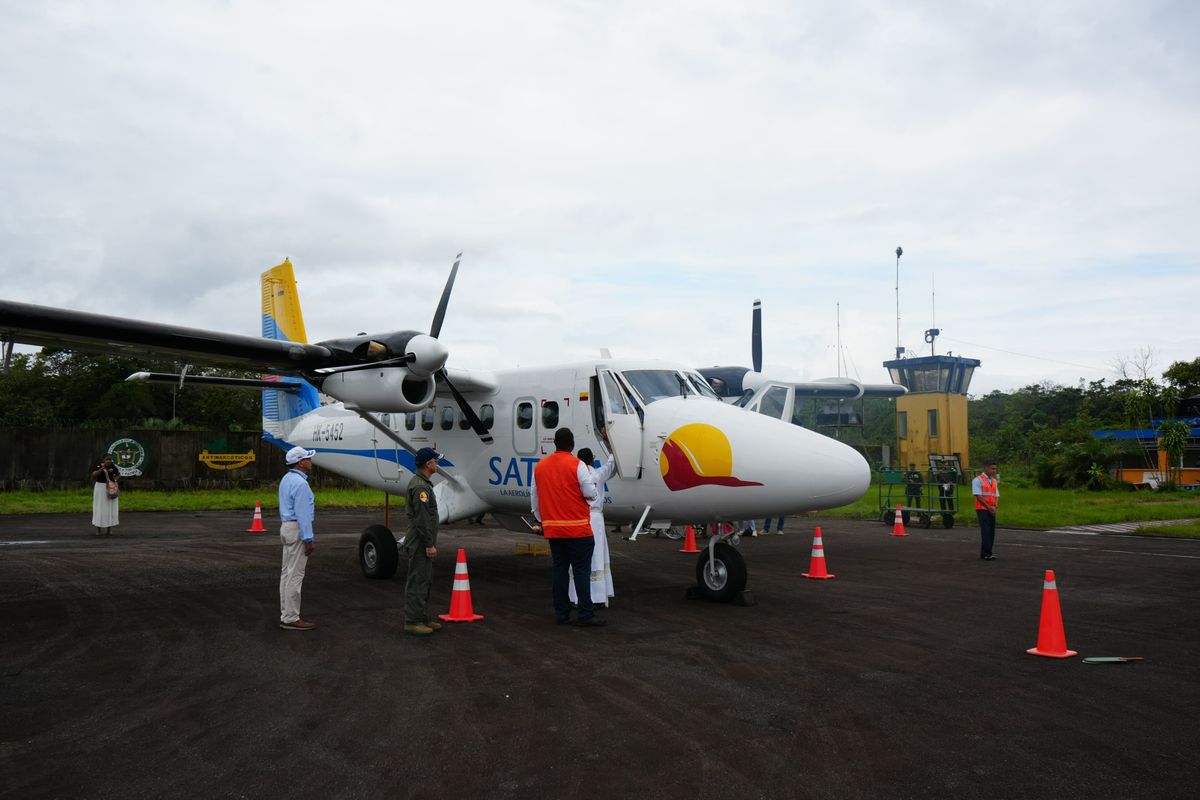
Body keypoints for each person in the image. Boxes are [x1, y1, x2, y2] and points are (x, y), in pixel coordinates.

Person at [530, 428, 603, 627]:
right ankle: (585, 614)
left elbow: (534, 498)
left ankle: (561, 615)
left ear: (555, 443)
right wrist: (593, 496)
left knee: (559, 571)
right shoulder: (578, 465)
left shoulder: (540, 467)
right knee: (581, 572)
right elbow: (590, 493)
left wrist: (541, 520)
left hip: (554, 530)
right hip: (578, 529)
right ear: (572, 444)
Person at [569, 447, 616, 607]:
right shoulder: (598, 474)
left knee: (578, 557)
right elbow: (611, 464)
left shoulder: (574, 476)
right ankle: (597, 596)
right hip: (595, 519)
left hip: (578, 518)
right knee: (596, 555)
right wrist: (611, 447)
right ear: (592, 460)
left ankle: (576, 596)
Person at [403, 447, 442, 637]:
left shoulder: (423, 484)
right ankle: (413, 621)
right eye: (435, 460)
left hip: (422, 540)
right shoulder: (420, 487)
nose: (437, 463)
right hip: (419, 541)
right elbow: (422, 519)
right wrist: (429, 544)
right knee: (418, 580)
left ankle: (422, 617)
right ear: (428, 464)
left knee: (425, 579)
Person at [278, 446, 318, 631]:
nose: (310, 461)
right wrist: (308, 539)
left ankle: (286, 614)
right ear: (300, 463)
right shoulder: (301, 484)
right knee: (295, 575)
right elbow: (303, 514)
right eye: (307, 459)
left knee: (286, 574)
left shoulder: (286, 479)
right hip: (296, 529)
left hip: (286, 527)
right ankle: (291, 617)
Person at [973, 461, 999, 561]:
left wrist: (995, 506)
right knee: (986, 531)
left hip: (991, 509)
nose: (994, 471)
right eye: (992, 468)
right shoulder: (977, 480)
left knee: (991, 531)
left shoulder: (994, 481)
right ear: (986, 468)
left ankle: (986, 553)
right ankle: (986, 553)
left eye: (995, 469)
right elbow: (978, 496)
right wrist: (989, 507)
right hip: (982, 509)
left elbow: (996, 495)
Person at [91, 453, 120, 536]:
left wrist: (115, 481)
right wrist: (103, 468)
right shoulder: (99, 466)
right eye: (107, 459)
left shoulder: (113, 466)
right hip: (100, 488)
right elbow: (94, 475)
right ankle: (98, 530)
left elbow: (118, 474)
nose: (109, 461)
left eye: (110, 459)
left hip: (110, 488)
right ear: (103, 459)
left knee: (110, 508)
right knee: (100, 507)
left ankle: (109, 529)